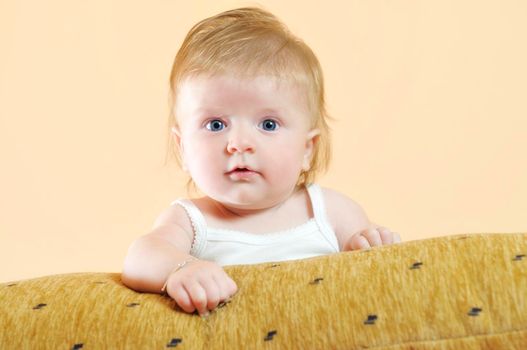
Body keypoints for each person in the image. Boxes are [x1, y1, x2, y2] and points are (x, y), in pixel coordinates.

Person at [121, 7, 401, 317]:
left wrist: (373, 243)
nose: (239, 144)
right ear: (183, 148)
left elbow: (370, 270)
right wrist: (181, 269)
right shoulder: (190, 221)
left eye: (268, 124)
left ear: (307, 149)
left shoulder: (331, 213)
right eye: (216, 124)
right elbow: (139, 257)